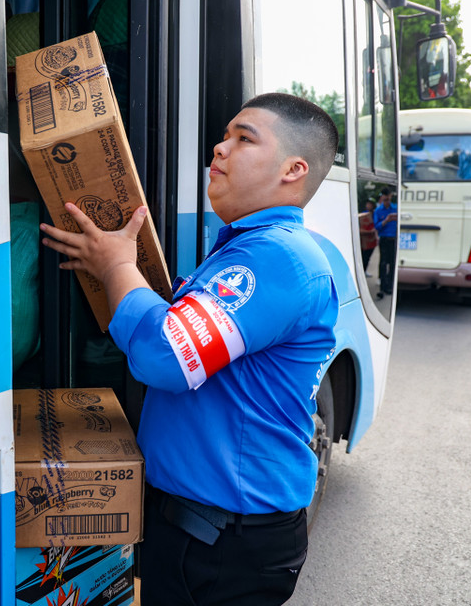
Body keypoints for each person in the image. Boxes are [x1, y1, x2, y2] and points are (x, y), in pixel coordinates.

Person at [40, 93, 339, 606]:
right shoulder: (247, 248)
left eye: (244, 138)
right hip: (205, 531)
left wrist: (117, 268)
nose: (220, 149)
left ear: (294, 170)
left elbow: (166, 356)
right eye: (225, 136)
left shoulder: (276, 258)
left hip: (222, 544)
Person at [373, 187, 398, 298]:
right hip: (384, 239)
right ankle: (383, 287)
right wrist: (386, 221)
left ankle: (390, 286)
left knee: (393, 263)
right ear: (382, 198)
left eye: (389, 199)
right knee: (383, 263)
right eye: (385, 199)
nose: (387, 201)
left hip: (394, 239)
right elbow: (377, 226)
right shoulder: (378, 211)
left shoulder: (396, 208)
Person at [360, 199, 378, 277]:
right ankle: (361, 272)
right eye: (367, 204)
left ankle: (364, 271)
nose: (368, 205)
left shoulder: (376, 214)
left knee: (367, 258)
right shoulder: (363, 215)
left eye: (370, 204)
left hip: (372, 240)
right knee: (362, 257)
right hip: (363, 240)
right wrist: (369, 231)